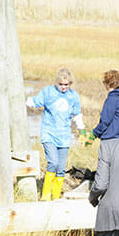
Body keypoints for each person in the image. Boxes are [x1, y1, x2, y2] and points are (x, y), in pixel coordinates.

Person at [26, 68, 85, 201]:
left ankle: (55, 197)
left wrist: (82, 130)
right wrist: (21, 97)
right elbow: (34, 102)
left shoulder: (73, 96)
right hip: (49, 134)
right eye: (61, 84)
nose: (64, 87)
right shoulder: (48, 92)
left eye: (67, 84)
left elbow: (77, 114)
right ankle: (45, 196)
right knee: (52, 162)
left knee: (61, 168)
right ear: (56, 82)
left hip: (64, 136)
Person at [86, 69, 119, 144]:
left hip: (110, 139)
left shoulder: (112, 99)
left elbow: (105, 121)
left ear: (108, 83)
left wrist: (94, 134)